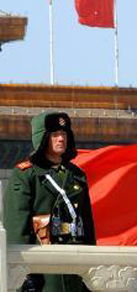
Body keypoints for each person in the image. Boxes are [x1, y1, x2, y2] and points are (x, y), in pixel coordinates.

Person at [3, 111, 96, 292]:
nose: (61, 138)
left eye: (64, 133)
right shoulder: (26, 175)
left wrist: (91, 262)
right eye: (55, 134)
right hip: (43, 266)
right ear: (43, 138)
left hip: (76, 262)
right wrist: (23, 273)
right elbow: (17, 227)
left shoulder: (77, 175)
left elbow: (87, 225)